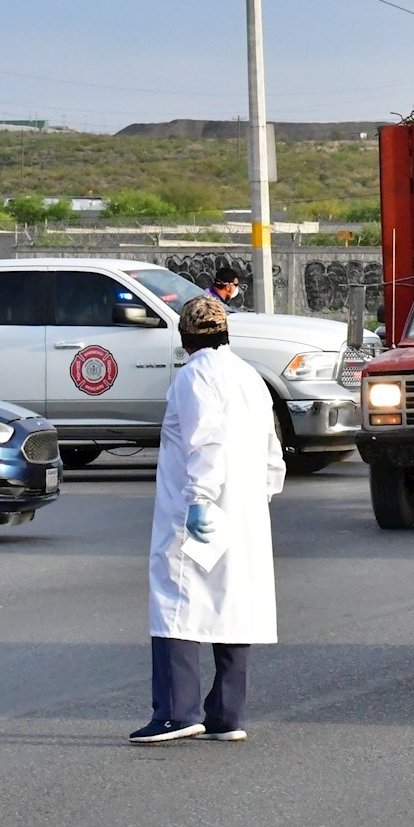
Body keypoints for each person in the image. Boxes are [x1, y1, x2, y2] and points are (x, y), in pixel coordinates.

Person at [132, 296, 285, 744]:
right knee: (232, 603)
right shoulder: (249, 377)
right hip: (244, 511)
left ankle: (177, 713)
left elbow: (206, 442)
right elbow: (272, 450)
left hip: (199, 510)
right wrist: (258, 499)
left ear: (184, 337)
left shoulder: (193, 376)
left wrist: (200, 500)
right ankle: (226, 716)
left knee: (176, 602)